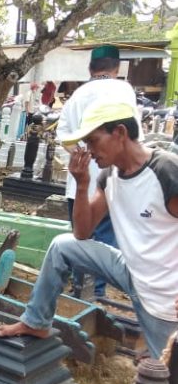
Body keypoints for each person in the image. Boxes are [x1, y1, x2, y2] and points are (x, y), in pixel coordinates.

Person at [0, 99, 178, 361]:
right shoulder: (110, 177)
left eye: (93, 141)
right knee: (63, 246)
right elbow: (82, 233)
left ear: (120, 133)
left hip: (165, 292)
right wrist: (82, 185)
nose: (90, 151)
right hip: (131, 270)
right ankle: (36, 321)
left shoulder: (165, 171)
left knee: (167, 382)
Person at [56, 44, 139, 298]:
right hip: (115, 178)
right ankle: (97, 292)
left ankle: (80, 289)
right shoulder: (124, 90)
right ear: (117, 67)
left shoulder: (79, 94)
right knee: (103, 238)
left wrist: (85, 155)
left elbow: (64, 136)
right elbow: (135, 136)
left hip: (81, 178)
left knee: (81, 238)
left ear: (91, 68)